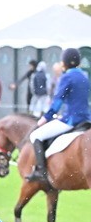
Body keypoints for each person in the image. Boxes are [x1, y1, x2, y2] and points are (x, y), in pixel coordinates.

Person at [27, 48, 90, 184]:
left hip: (71, 120)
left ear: (65, 63)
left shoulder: (66, 77)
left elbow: (58, 100)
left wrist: (46, 117)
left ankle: (41, 173)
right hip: (87, 119)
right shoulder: (85, 76)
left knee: (35, 136)